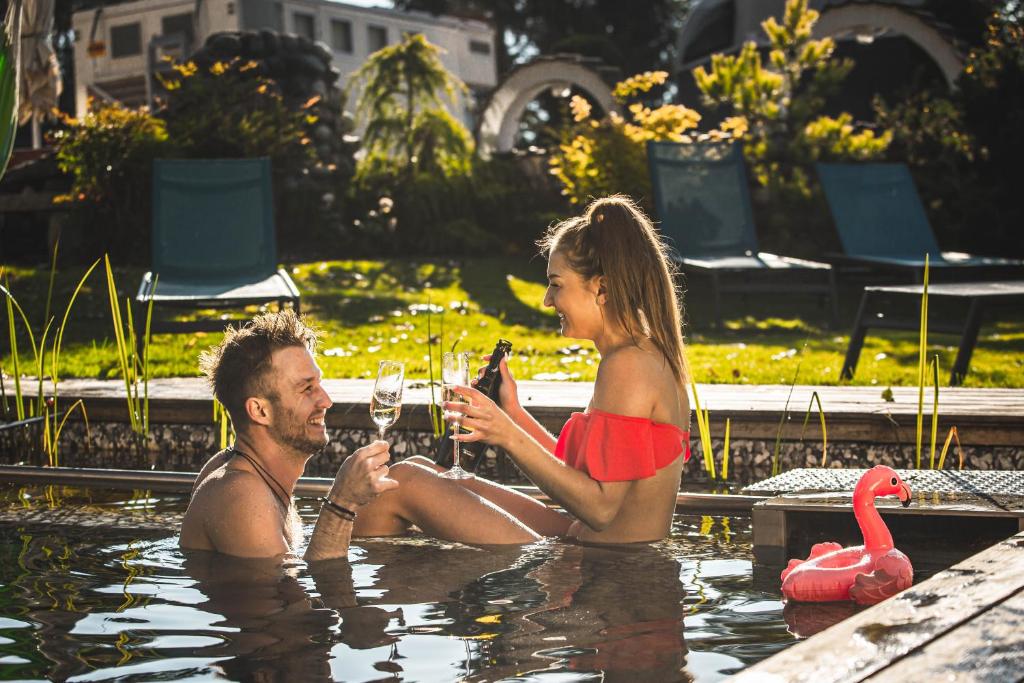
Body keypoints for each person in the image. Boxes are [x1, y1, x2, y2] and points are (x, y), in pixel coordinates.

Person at [352, 195, 691, 545]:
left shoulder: (628, 365)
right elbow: (584, 477)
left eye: (556, 284)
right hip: (590, 547)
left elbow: (600, 509)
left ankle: (348, 590)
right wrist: (510, 413)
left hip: (607, 572)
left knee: (400, 484)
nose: (547, 300)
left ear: (601, 288)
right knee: (422, 469)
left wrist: (506, 434)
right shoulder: (642, 355)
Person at [179, 310, 398, 560]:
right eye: (306, 389)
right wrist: (342, 502)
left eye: (319, 384)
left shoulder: (240, 470)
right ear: (260, 411)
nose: (326, 401)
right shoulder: (241, 495)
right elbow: (292, 596)